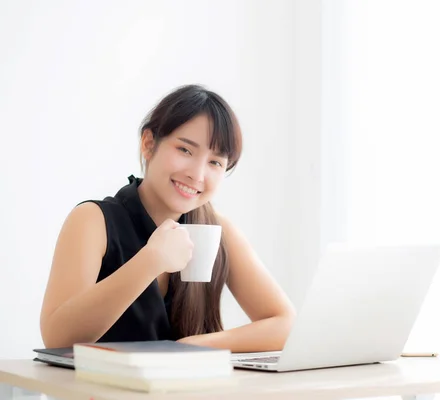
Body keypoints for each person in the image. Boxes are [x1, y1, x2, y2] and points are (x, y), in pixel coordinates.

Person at [40, 85, 296, 352]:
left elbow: (285, 324)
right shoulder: (93, 221)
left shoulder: (216, 229)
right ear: (149, 144)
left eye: (215, 163)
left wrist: (193, 346)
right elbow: (57, 338)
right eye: (185, 150)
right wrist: (150, 261)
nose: (197, 175)